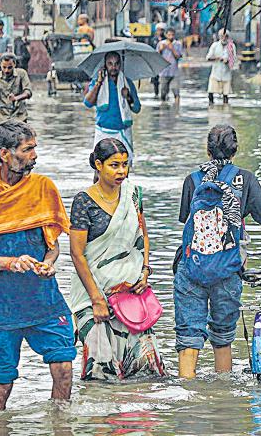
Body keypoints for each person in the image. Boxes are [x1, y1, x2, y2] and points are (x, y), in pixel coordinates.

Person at [174, 124, 261, 378]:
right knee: (222, 338)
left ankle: (187, 399)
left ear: (207, 149)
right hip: (228, 269)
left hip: (191, 268)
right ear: (236, 150)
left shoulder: (192, 180)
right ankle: (223, 402)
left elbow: (188, 223)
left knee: (189, 338)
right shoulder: (245, 179)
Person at [0, 121, 75, 410]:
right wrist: (9, 263)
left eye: (35, 148)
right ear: (5, 154)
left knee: (64, 370)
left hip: (43, 299)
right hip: (0, 306)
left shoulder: (43, 188)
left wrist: (49, 262)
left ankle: (60, 427)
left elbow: (52, 244)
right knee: (2, 383)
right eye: (28, 149)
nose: (35, 155)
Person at [68, 138, 165, 380]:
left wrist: (144, 271)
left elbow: (142, 236)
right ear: (98, 165)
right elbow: (77, 254)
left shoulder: (133, 195)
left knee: (144, 370)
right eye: (114, 165)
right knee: (101, 372)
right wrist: (96, 299)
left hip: (131, 292)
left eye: (125, 164)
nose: (121, 171)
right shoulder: (84, 201)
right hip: (94, 295)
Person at [82, 51, 141, 163]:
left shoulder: (127, 83)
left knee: (124, 168)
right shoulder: (97, 81)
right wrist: (98, 83)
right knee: (99, 168)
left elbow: (137, 108)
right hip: (103, 131)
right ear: (105, 65)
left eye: (116, 64)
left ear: (120, 65)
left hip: (123, 132)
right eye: (110, 64)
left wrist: (128, 96)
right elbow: (88, 103)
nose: (113, 67)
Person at [206, 29, 236, 104]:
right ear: (219, 37)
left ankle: (225, 110)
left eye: (226, 36)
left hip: (226, 74)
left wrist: (228, 61)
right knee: (211, 92)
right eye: (222, 36)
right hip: (215, 73)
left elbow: (234, 59)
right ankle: (211, 107)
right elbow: (208, 58)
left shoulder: (231, 46)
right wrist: (218, 58)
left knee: (226, 95)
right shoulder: (215, 45)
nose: (224, 38)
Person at [156, 27, 184, 103]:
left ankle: (177, 109)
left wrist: (172, 49)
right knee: (163, 93)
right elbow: (156, 57)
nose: (170, 36)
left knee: (176, 92)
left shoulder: (178, 44)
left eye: (172, 35)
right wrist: (161, 50)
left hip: (174, 72)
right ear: (166, 35)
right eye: (169, 35)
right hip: (163, 71)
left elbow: (179, 57)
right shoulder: (161, 44)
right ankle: (163, 108)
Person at [149, 23, 166, 98]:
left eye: (161, 30)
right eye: (158, 30)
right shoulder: (153, 40)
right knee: (155, 79)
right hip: (155, 61)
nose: (159, 32)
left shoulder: (166, 40)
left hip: (164, 61)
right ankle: (156, 93)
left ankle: (164, 94)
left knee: (164, 79)